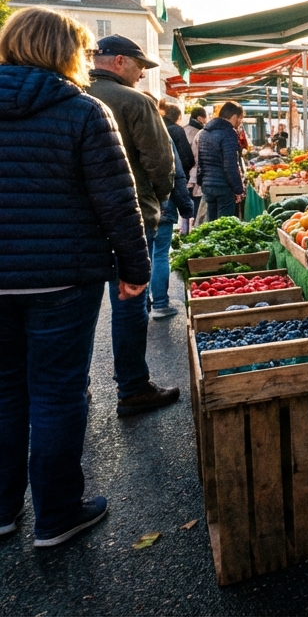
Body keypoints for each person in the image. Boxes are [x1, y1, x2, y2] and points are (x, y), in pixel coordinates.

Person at [0, 7, 150, 546]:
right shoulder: (81, 111)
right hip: (63, 279)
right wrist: (135, 269)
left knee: (4, 391)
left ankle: (2, 509)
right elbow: (117, 200)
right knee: (58, 392)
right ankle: (58, 514)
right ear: (68, 52)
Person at [87, 33, 180, 418]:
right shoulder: (134, 102)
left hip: (82, 222)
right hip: (133, 215)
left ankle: (77, 387)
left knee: (80, 308)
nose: (143, 74)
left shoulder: (73, 95)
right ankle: (132, 386)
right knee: (129, 300)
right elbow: (160, 163)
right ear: (120, 61)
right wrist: (158, 198)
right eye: (140, 66)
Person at [149, 138, 194, 320]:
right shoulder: (160, 136)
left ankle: (141, 304)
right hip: (162, 207)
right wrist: (186, 208)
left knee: (139, 255)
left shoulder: (119, 131)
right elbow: (176, 174)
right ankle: (160, 304)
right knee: (159, 255)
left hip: (131, 209)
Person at [198, 101, 246, 221]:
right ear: (234, 116)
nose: (240, 122)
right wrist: (238, 189)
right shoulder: (228, 133)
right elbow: (230, 165)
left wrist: (202, 181)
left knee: (212, 223)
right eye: (240, 118)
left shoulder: (204, 132)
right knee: (224, 225)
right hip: (223, 187)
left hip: (207, 185)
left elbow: (201, 162)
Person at [184, 106, 206, 227]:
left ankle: (187, 229)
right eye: (204, 118)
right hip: (194, 174)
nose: (206, 121)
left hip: (186, 174)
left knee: (187, 205)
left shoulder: (184, 130)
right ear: (199, 118)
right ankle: (194, 228)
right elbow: (196, 157)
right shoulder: (197, 132)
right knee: (196, 206)